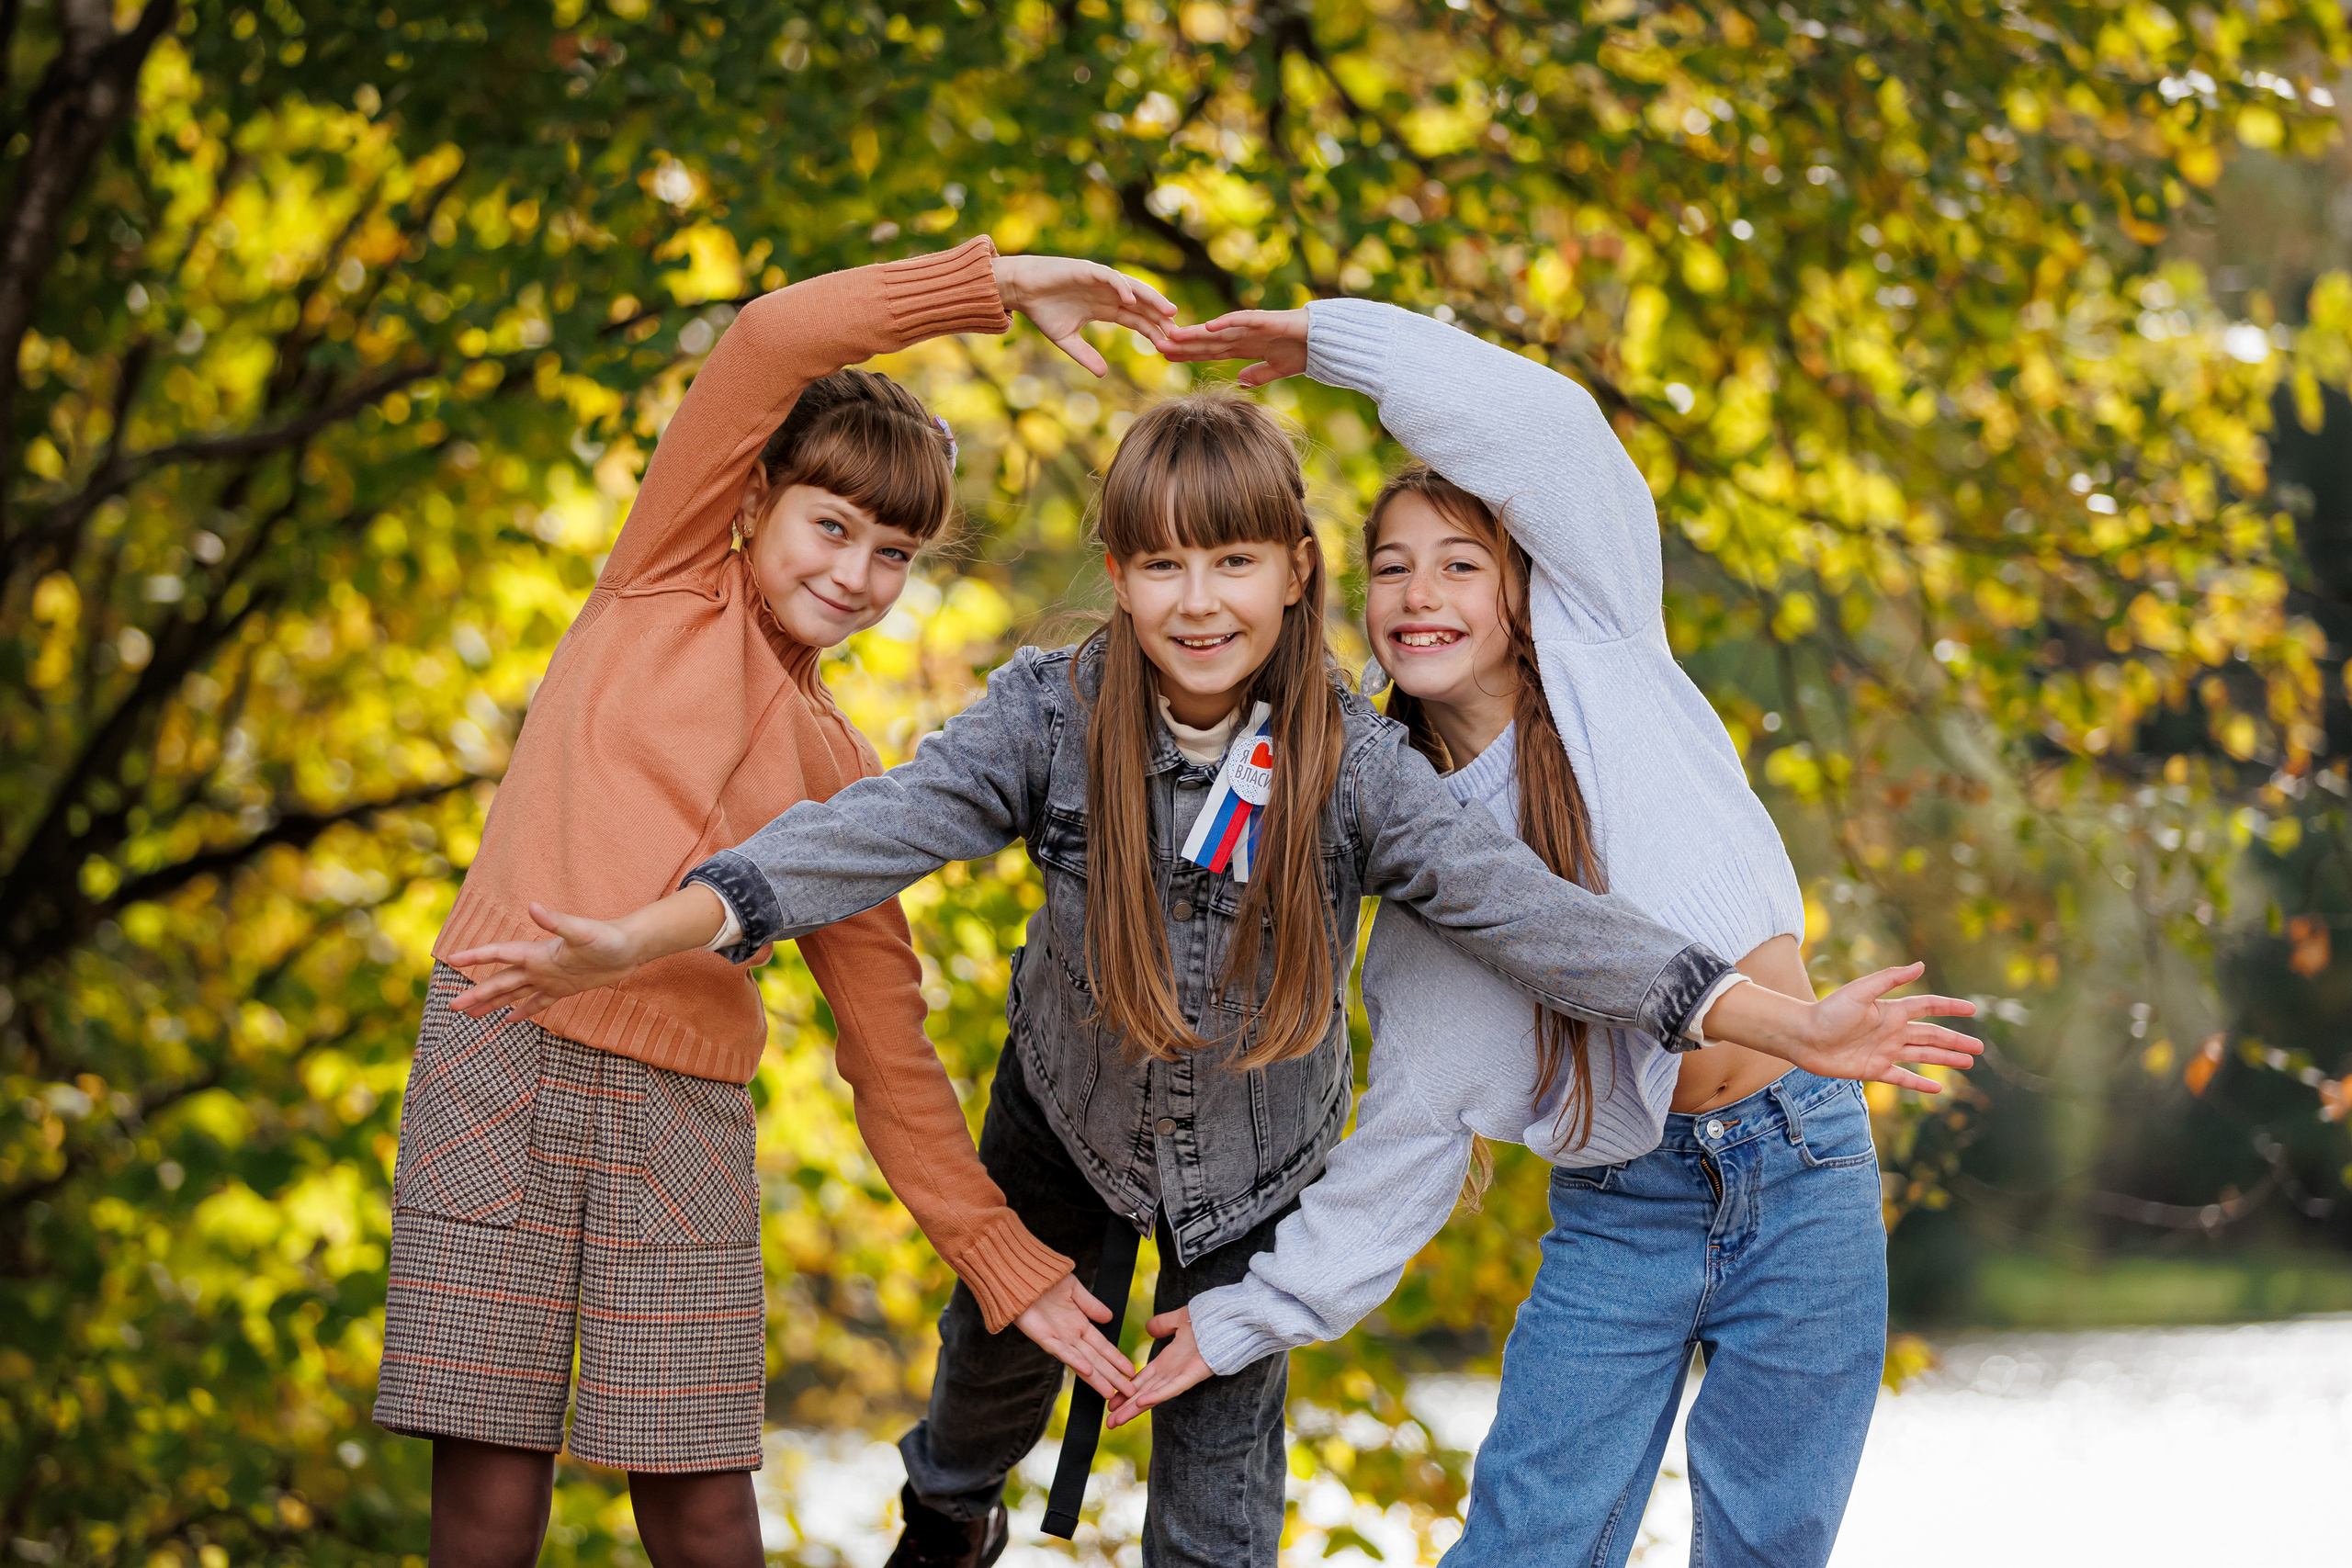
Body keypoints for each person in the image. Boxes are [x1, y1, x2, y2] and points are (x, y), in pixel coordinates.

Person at [446, 390, 1979, 1568]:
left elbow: (1540, 919)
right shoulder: (1049, 715)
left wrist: (1782, 1017)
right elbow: (863, 834)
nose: (1199, 601)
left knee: (1216, 1502)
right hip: (1064, 1117)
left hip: (1250, 1174)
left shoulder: (1358, 765)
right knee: (975, 1419)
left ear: (1295, 572)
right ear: (1116, 576)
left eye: (1235, 561)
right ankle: (945, 1524)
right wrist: (656, 929)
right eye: (1163, 564)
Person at [1109, 300, 1969, 1567]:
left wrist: (1333, 344)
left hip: (1805, 1164)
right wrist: (1244, 1320)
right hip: (1626, 1207)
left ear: (1518, 587)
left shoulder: (1605, 645)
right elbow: (1408, 1133)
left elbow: (1550, 430)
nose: (1422, 592)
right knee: (1529, 1541)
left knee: (1771, 1542)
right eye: (1392, 566)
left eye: (1460, 561)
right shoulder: (1415, 853)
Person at [375, 236, 1178, 1568]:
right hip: (497, 1060)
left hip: (683, 1122)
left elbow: (888, 1045)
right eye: (835, 526)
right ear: (753, 502)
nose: (857, 574)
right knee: (491, 1493)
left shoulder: (839, 772)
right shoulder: (658, 583)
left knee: (697, 1501)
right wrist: (1000, 286)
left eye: (895, 552)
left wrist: (999, 1256)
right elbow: (767, 341)